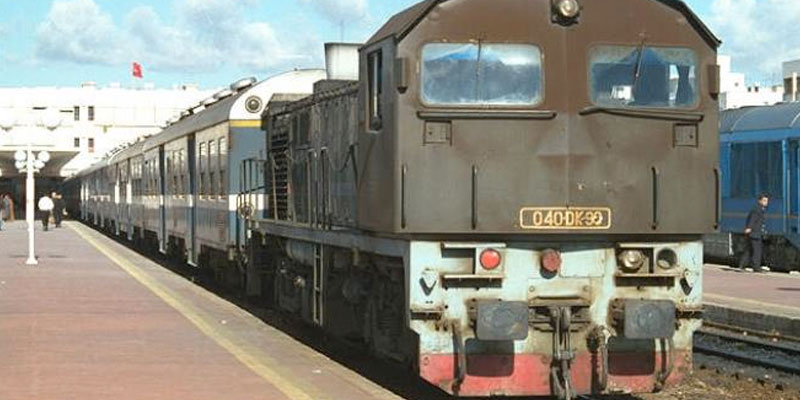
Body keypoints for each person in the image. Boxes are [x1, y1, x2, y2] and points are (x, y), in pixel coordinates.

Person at [739, 193, 769, 273]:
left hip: (755, 232)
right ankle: (756, 267)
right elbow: (753, 219)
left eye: (767, 201)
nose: (766, 202)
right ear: (759, 201)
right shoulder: (757, 210)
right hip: (755, 233)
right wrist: (749, 228)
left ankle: (742, 265)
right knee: (757, 250)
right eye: (764, 200)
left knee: (749, 250)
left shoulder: (759, 209)